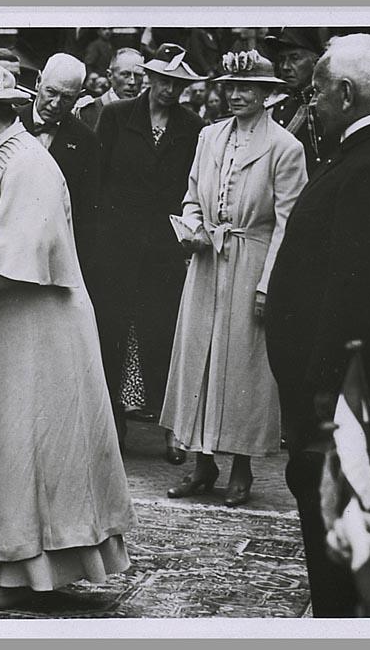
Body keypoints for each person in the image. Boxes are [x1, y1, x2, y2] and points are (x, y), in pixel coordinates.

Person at [0, 58, 135, 611]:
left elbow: (21, 255)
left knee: (22, 448)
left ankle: (22, 575)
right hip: (3, 327)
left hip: (37, 333)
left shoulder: (30, 163)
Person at [265, 34, 370, 617]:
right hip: (343, 400)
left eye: (318, 91)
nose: (312, 102)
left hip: (342, 406)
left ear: (345, 94)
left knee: (346, 553)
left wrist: (326, 403)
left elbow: (356, 297)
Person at [160, 50, 308, 506]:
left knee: (243, 364)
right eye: (232, 87)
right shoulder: (209, 136)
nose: (238, 95)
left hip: (250, 258)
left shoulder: (285, 147)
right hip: (207, 262)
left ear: (267, 95)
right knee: (197, 359)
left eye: (249, 88)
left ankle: (241, 467)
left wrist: (268, 285)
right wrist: (194, 226)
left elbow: (287, 223)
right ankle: (203, 465)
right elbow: (191, 195)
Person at [92, 43, 206, 462]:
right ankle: (112, 428)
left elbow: (194, 188)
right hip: (117, 247)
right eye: (163, 80)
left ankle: (171, 432)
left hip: (163, 249)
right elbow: (97, 182)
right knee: (112, 335)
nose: (169, 89)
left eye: (178, 83)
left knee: (164, 337)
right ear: (149, 78)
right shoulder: (117, 118)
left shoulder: (192, 126)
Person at [17, 53, 101, 287]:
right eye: (51, 92)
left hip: (55, 260)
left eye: (66, 98)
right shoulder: (8, 123)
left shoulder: (87, 142)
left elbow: (87, 212)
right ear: (38, 82)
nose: (55, 104)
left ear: (79, 98)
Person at [262, 27, 327, 175]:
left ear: (316, 62)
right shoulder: (277, 108)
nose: (285, 67)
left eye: (294, 58)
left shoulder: (330, 106)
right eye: (282, 60)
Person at [76, 47, 145, 131]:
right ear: (110, 75)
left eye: (138, 75)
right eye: (125, 74)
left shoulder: (147, 113)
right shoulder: (89, 112)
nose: (132, 82)